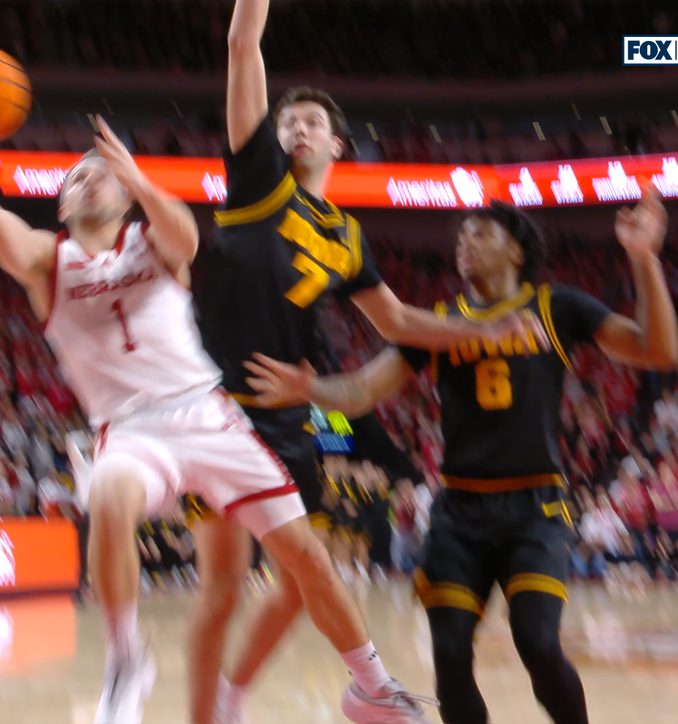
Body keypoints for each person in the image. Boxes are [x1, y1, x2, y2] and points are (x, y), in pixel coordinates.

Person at [0, 50, 469, 724]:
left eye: (101, 174)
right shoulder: (45, 261)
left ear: (125, 194)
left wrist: (137, 178)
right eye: (77, 177)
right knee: (110, 497)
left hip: (208, 415)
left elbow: (183, 232)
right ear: (60, 204)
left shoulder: (153, 243)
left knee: (306, 557)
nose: (90, 181)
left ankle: (372, 685)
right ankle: (127, 661)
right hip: (131, 431)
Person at [185, 1, 540, 722]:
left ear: (337, 145)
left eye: (312, 122)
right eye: (288, 121)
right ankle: (235, 708)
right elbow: (243, 42)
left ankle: (232, 696)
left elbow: (400, 322)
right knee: (223, 588)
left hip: (285, 418)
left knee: (299, 585)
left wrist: (485, 326)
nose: (297, 128)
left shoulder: (347, 237)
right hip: (216, 408)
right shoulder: (257, 177)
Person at [241, 187, 678, 724]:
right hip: (459, 514)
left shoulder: (556, 306)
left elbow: (658, 351)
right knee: (449, 656)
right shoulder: (440, 322)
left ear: (515, 250)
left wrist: (644, 259)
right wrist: (309, 388)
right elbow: (363, 389)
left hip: (534, 511)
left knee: (538, 643)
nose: (465, 242)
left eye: (481, 233)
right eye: (462, 235)